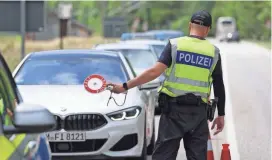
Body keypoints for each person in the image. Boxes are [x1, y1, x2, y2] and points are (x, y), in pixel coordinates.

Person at [108, 10, 225, 160]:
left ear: (190, 25)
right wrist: (221, 114)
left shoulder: (175, 45)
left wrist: (124, 86)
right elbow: (219, 85)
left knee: (163, 156)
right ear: (208, 29)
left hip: (173, 113)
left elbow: (154, 72)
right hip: (198, 113)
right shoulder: (213, 52)